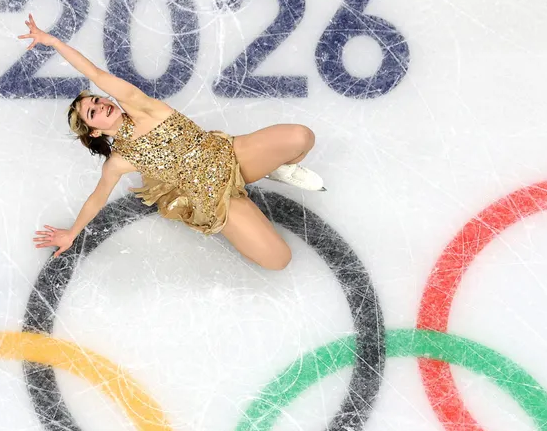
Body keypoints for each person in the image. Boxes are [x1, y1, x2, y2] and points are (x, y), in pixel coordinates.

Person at [21, 15, 324, 271]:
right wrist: (72, 233)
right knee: (279, 260)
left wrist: (54, 42)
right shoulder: (119, 162)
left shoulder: (141, 106)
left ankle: (275, 168)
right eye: (92, 112)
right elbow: (97, 198)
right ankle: (243, 213)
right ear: (95, 132)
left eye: (98, 101)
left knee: (302, 137)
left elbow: (95, 73)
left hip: (228, 156)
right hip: (213, 198)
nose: (101, 106)